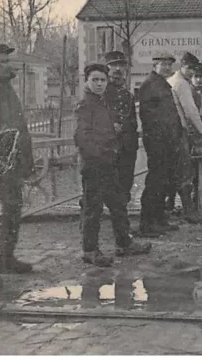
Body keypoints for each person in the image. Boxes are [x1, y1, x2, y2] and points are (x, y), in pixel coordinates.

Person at [74, 64, 151, 267]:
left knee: (117, 204)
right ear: (87, 81)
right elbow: (82, 137)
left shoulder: (102, 103)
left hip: (108, 163)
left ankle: (124, 243)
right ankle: (90, 250)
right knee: (93, 208)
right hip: (94, 165)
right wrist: (99, 156)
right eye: (95, 80)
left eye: (102, 80)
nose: (99, 84)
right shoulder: (85, 105)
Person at [0, 43, 33, 273]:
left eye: (9, 62)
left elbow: (19, 128)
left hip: (12, 163)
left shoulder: (8, 89)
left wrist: (26, 160)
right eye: (2, 62)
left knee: (11, 209)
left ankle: (6, 257)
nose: (9, 67)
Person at [138, 52, 183, 237]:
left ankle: (159, 219)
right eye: (163, 64)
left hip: (167, 141)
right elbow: (149, 117)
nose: (167, 68)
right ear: (155, 65)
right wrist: (160, 138)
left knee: (164, 181)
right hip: (158, 141)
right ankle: (147, 223)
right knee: (155, 182)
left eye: (169, 65)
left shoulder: (162, 84)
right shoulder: (150, 85)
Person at [167, 52, 202, 223]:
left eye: (193, 69)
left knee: (172, 169)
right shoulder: (181, 84)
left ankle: (169, 206)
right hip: (179, 131)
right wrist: (201, 130)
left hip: (169, 131)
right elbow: (190, 110)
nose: (191, 72)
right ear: (181, 66)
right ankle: (189, 211)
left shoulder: (171, 80)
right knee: (185, 171)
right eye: (189, 68)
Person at [103, 51, 139, 204]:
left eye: (121, 65)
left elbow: (132, 121)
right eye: (114, 65)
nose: (118, 69)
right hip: (109, 146)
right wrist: (109, 124)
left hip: (127, 147)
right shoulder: (101, 92)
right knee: (108, 183)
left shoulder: (128, 95)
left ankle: (122, 220)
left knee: (125, 183)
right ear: (107, 68)